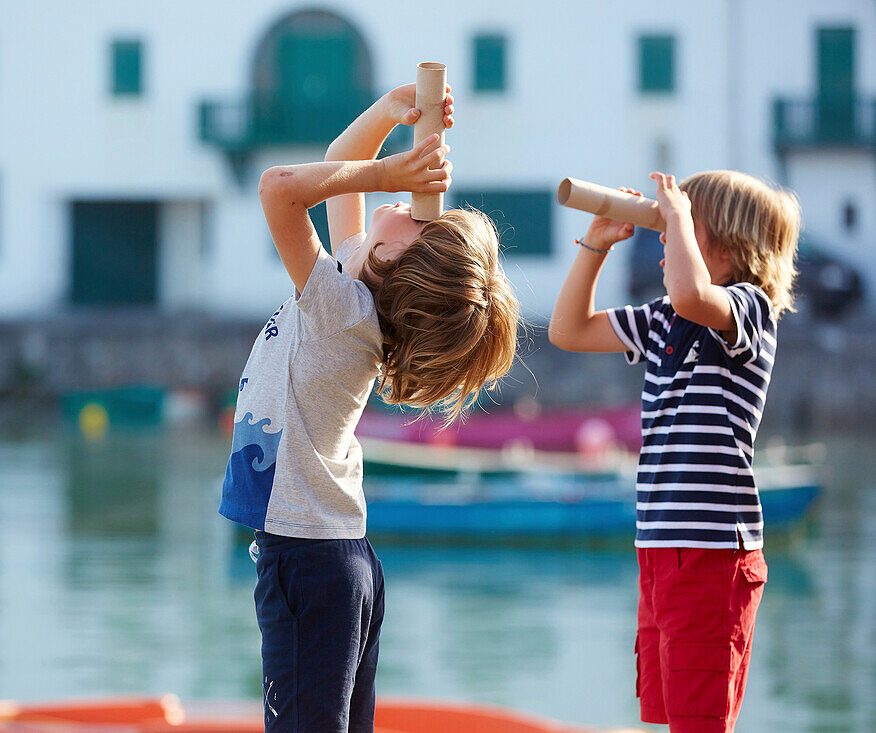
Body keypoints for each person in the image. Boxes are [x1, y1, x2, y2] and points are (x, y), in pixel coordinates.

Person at [219, 83, 519, 732]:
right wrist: (391, 113)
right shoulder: (357, 285)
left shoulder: (343, 311)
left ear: (396, 262)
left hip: (308, 559)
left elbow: (279, 187)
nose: (406, 199)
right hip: (338, 559)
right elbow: (337, 159)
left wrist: (386, 169)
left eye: (419, 215)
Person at [549, 170, 802, 732]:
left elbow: (694, 293)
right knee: (672, 713)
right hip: (660, 548)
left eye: (680, 229)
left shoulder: (748, 310)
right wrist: (596, 245)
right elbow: (568, 330)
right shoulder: (665, 320)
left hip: (712, 553)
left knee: (700, 720)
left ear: (731, 246)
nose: (663, 238)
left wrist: (676, 214)